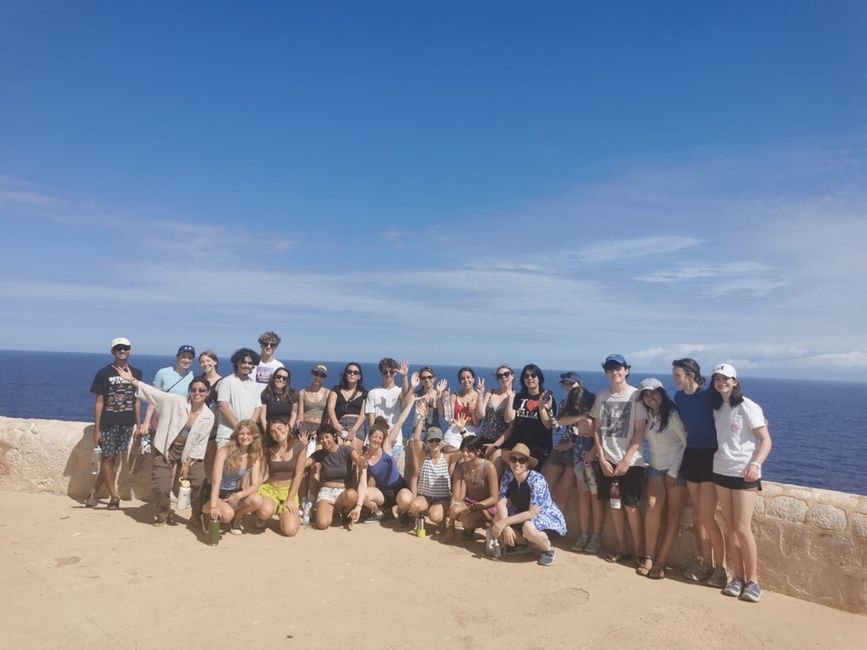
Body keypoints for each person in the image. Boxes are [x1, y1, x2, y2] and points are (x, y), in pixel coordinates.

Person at [117, 365, 214, 525]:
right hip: (166, 449)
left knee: (199, 481)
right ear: (190, 391)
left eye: (202, 390)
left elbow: (200, 443)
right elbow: (154, 393)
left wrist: (187, 463)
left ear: (208, 393)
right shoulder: (176, 401)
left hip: (189, 453)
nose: (197, 393)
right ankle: (163, 512)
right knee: (162, 486)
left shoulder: (208, 416)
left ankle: (196, 515)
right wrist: (132, 380)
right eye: (194, 390)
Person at [709, 364, 772, 603]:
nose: (722, 382)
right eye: (717, 379)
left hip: (745, 474)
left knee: (743, 528)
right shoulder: (716, 408)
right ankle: (737, 577)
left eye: (726, 378)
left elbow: (765, 441)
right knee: (730, 527)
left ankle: (753, 581)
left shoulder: (748, 406)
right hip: (721, 470)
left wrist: (755, 465)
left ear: (735, 381)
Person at [672, 358, 728, 588]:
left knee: (707, 517)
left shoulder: (707, 396)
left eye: (678, 375)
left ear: (691, 375)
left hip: (710, 457)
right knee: (698, 516)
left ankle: (722, 569)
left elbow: (733, 407)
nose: (674, 379)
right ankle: (706, 563)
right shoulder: (679, 398)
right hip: (692, 455)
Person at [591, 354, 647, 564]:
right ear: (607, 372)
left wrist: (626, 461)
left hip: (631, 463)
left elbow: (640, 431)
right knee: (614, 508)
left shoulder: (636, 396)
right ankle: (622, 547)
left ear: (626, 370)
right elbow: (596, 430)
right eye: (611, 369)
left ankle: (641, 552)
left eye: (619, 368)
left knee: (631, 508)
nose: (615, 372)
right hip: (607, 462)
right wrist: (602, 459)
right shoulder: (602, 396)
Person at [636, 378, 687, 579]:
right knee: (651, 508)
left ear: (662, 393)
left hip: (676, 470)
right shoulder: (648, 416)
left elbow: (687, 443)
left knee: (673, 515)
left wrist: (674, 471)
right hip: (655, 468)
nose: (650, 398)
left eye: (654, 393)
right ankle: (648, 556)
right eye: (646, 395)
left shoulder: (673, 416)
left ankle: (661, 561)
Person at [85, 337, 143, 510]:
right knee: (108, 458)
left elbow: (137, 401)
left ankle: (93, 493)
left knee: (111, 459)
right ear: (113, 351)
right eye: (119, 348)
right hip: (109, 423)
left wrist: (138, 425)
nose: (122, 351)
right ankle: (114, 497)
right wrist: (97, 429)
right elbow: (99, 402)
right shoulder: (103, 373)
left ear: (130, 350)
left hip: (127, 423)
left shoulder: (136, 373)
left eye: (125, 348)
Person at [490, 443, 566, 566]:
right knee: (497, 518)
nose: (517, 464)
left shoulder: (537, 480)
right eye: (513, 459)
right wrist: (506, 526)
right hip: (521, 513)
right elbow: (501, 502)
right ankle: (525, 544)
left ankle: (548, 550)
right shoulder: (508, 476)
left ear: (528, 463)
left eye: (522, 460)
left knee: (528, 527)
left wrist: (505, 522)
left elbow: (533, 512)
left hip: (544, 518)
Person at [358, 400, 417, 522]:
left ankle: (403, 512)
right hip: (383, 493)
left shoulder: (386, 447)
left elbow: (400, 421)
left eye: (380, 438)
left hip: (399, 488)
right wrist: (358, 507)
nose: (377, 440)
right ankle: (379, 512)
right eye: (374, 437)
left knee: (406, 500)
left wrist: (411, 401)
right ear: (369, 437)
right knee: (362, 494)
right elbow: (363, 483)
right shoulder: (365, 456)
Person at [204, 419, 264, 534]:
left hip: (232, 493)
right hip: (215, 491)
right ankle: (206, 515)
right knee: (227, 515)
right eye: (241, 433)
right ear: (236, 435)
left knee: (257, 500)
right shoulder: (224, 451)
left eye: (248, 434)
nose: (245, 437)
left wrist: (239, 495)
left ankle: (237, 516)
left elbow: (255, 485)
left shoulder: (254, 455)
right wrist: (213, 505)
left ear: (254, 436)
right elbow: (216, 480)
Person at [542, 372, 592, 511]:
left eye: (571, 383)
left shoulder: (588, 401)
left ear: (580, 384)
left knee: (562, 492)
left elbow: (591, 429)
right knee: (546, 485)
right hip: (565, 443)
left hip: (579, 447)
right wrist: (548, 410)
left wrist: (572, 443)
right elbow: (557, 427)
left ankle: (557, 527)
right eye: (566, 384)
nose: (568, 387)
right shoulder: (566, 402)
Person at [400, 400, 451, 533]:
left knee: (435, 516)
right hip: (426, 497)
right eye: (431, 440)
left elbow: (465, 453)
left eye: (437, 440)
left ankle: (439, 516)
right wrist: (422, 419)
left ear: (442, 442)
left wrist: (462, 431)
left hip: (442, 498)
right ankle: (420, 517)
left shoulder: (447, 458)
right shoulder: (424, 457)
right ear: (427, 443)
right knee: (414, 505)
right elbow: (416, 439)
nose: (434, 443)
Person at [253, 415, 307, 536]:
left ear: (287, 427)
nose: (277, 432)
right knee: (264, 512)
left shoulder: (299, 446)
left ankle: (284, 513)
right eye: (273, 431)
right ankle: (261, 515)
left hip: (289, 491)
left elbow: (298, 475)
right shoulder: (268, 448)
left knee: (290, 531)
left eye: (280, 428)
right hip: (270, 490)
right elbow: (261, 473)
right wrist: (254, 492)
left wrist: (290, 499)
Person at [308, 426, 368, 530]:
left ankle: (344, 512)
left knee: (352, 494)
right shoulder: (319, 454)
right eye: (321, 438)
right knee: (322, 524)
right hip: (326, 492)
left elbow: (357, 459)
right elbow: (305, 463)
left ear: (334, 436)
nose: (324, 441)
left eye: (327, 437)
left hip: (343, 493)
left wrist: (361, 462)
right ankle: (334, 511)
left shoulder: (346, 450)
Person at [497, 364, 556, 468]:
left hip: (538, 449)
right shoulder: (518, 397)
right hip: (517, 447)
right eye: (526, 376)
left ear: (539, 378)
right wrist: (511, 398)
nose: (529, 378)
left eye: (533, 375)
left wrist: (542, 406)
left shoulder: (547, 398)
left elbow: (548, 425)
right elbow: (508, 418)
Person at [446, 435, 499, 542]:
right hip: (470, 502)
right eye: (463, 450)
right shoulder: (461, 468)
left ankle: (489, 526)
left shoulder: (489, 467)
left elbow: (494, 498)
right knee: (454, 510)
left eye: (469, 451)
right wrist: (452, 517)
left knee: (466, 519)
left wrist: (474, 508)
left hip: (487, 505)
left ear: (478, 451)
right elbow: (455, 496)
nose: (465, 454)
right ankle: (464, 527)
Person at [365, 358, 412, 468]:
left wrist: (404, 377)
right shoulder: (373, 393)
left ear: (395, 373)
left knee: (390, 476)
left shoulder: (398, 391)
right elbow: (371, 419)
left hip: (394, 442)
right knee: (373, 473)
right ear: (381, 373)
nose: (388, 374)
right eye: (385, 372)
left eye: (391, 372)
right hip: (375, 442)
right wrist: (375, 438)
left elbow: (405, 398)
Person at [142, 344, 197, 436]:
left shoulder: (192, 377)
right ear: (177, 357)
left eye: (189, 358)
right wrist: (146, 422)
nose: (186, 360)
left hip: (179, 420)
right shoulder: (163, 373)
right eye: (183, 357)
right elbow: (153, 399)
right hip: (160, 418)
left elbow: (190, 402)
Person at [215, 348, 264, 447]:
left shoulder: (254, 385)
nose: (246, 365)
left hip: (248, 436)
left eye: (250, 363)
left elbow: (257, 408)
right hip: (228, 434)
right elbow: (223, 407)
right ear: (237, 363)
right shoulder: (227, 381)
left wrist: (249, 428)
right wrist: (238, 428)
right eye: (243, 362)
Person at [326, 362, 369, 452]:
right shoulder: (336, 390)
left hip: (357, 425)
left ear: (359, 376)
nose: (352, 374)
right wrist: (335, 423)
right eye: (349, 372)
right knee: (337, 454)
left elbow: (363, 414)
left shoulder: (364, 394)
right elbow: (330, 408)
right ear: (345, 374)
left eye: (355, 372)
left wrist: (354, 430)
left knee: (354, 455)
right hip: (339, 424)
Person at [476, 365, 515, 455]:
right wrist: (480, 395)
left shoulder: (515, 397)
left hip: (501, 442)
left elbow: (511, 428)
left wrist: (495, 445)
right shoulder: (490, 393)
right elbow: (480, 415)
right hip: (483, 438)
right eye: (500, 376)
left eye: (506, 374)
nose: (503, 377)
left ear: (512, 376)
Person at [444, 367, 480, 445]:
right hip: (454, 429)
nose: (466, 380)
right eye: (463, 378)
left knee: (468, 453)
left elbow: (477, 424)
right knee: (453, 452)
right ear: (460, 381)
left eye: (468, 377)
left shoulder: (479, 397)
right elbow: (449, 418)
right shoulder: (455, 396)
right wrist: (445, 400)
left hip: (470, 431)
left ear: (473, 379)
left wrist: (473, 411)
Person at [297, 364, 331, 443]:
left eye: (321, 375)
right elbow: (300, 414)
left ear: (324, 378)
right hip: (305, 427)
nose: (318, 377)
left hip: (320, 428)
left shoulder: (328, 394)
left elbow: (329, 416)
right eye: (316, 374)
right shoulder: (302, 393)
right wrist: (300, 429)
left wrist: (323, 430)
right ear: (312, 374)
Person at [259, 367, 297, 434]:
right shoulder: (266, 394)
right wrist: (268, 433)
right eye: (278, 377)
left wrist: (288, 432)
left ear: (287, 380)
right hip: (271, 431)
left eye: (284, 378)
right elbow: (262, 416)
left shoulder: (292, 394)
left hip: (286, 431)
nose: (281, 379)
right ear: (274, 377)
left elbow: (293, 414)